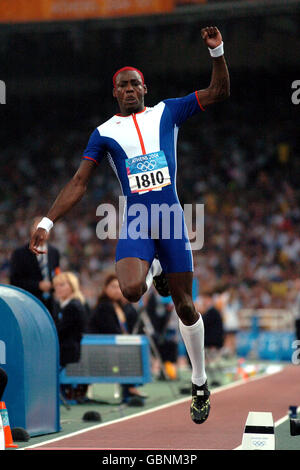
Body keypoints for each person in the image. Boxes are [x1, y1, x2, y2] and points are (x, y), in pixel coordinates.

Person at [30, 26, 230, 424]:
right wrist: (47, 221)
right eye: (122, 86)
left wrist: (217, 52)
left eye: (135, 84)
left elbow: (218, 92)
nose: (129, 90)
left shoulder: (167, 111)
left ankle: (200, 380)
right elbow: (79, 182)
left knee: (186, 306)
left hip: (170, 217)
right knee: (131, 290)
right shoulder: (104, 132)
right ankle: (153, 270)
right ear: (115, 93)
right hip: (138, 218)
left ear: (145, 88)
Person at [88, 273, 147, 402]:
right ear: (105, 288)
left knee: (133, 350)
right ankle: (129, 389)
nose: (117, 290)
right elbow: (111, 330)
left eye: (119, 287)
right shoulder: (105, 306)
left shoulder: (119, 306)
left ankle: (131, 388)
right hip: (101, 348)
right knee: (129, 352)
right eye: (113, 287)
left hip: (113, 346)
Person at [10, 217, 60, 317]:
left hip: (50, 305)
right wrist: (38, 285)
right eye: (38, 228)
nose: (42, 232)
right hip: (29, 303)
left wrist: (54, 284)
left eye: (45, 229)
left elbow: (57, 273)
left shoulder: (54, 252)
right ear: (31, 231)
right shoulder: (19, 253)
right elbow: (14, 281)